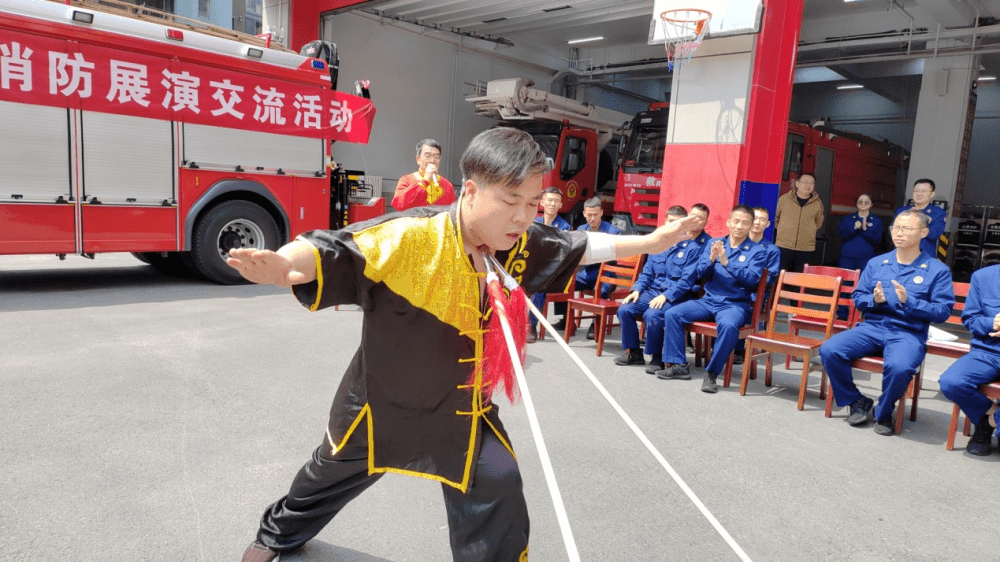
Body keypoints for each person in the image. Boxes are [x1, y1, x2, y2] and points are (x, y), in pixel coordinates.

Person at [229, 127, 698, 562]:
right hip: (381, 404)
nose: (524, 216)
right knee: (324, 478)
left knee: (499, 485)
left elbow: (576, 243)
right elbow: (331, 248)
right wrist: (282, 265)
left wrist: (651, 242)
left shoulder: (518, 239)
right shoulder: (410, 236)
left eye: (534, 203)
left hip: (465, 407)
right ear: (471, 191)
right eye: (512, 200)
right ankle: (276, 535)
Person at [818, 210, 954, 436]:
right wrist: (873, 299)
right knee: (830, 350)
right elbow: (858, 296)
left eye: (907, 229)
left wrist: (911, 302)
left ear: (924, 232)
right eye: (896, 228)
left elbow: (941, 312)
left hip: (908, 331)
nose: (899, 233)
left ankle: (885, 410)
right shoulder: (876, 263)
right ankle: (856, 400)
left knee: (900, 367)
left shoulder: (937, 270)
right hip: (873, 327)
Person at [656, 205, 766, 393]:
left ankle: (712, 373)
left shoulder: (757, 251)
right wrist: (712, 259)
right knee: (673, 313)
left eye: (745, 223)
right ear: (728, 222)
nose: (739, 226)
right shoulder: (714, 243)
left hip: (734, 304)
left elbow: (752, 279)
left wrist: (727, 262)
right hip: (709, 300)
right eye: (736, 221)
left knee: (729, 326)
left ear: (750, 226)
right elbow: (700, 272)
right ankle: (678, 366)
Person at [614, 205, 708, 372]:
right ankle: (634, 353)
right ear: (665, 221)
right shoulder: (657, 244)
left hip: (677, 296)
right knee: (624, 309)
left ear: (683, 224)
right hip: (652, 292)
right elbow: (647, 273)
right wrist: (637, 290)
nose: (673, 225)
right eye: (670, 221)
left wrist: (666, 296)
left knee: (653, 314)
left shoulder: (692, 248)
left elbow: (686, 281)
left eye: (677, 222)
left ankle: (657, 357)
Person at [938, 264, 1000, 456]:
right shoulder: (984, 277)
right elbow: (971, 319)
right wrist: (992, 323)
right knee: (951, 382)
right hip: (988, 351)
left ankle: (988, 424)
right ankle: (990, 418)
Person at [552, 197, 622, 339]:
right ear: (584, 214)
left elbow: (613, 258)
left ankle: (594, 325)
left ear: (601, 213)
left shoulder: (613, 232)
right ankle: (566, 319)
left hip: (607, 274)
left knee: (600, 290)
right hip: (587, 273)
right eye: (589, 215)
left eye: (595, 215)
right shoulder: (581, 230)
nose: (592, 218)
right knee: (564, 282)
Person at [732, 206, 782, 365]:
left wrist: (750, 280)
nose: (758, 222)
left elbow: (770, 277)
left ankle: (738, 349)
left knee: (744, 306)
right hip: (733, 288)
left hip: (756, 292)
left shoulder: (772, 250)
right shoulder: (736, 243)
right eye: (755, 218)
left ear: (768, 224)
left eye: (762, 219)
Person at [528, 187, 572, 342]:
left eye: (556, 201)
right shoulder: (533, 222)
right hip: (533, 267)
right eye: (550, 200)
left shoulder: (564, 227)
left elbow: (561, 254)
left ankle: (531, 325)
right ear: (542, 202)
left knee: (540, 286)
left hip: (554, 271)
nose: (553, 204)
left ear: (561, 205)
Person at [774, 173, 824, 274]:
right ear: (797, 183)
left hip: (806, 248)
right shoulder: (784, 199)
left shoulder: (817, 203)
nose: (808, 185)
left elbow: (818, 223)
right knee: (779, 277)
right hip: (784, 246)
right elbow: (776, 218)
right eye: (805, 182)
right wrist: (783, 231)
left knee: (799, 279)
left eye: (811, 183)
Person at [391, 139, 456, 211]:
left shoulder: (447, 185)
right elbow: (398, 205)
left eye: (436, 157)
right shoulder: (406, 180)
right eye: (427, 156)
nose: (432, 160)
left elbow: (451, 212)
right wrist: (425, 181)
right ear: (418, 159)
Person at [894, 178, 946, 260]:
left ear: (932, 194)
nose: (919, 194)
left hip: (923, 257)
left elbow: (934, 234)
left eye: (924, 191)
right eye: (916, 191)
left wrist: (918, 220)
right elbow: (893, 231)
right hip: (901, 255)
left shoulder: (938, 213)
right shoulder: (902, 211)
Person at [838, 193, 883, 271]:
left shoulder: (877, 221)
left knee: (863, 282)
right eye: (860, 201)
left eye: (866, 202)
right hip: (847, 258)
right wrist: (854, 228)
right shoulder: (848, 219)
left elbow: (877, 240)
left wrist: (865, 230)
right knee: (845, 282)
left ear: (871, 204)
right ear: (856, 203)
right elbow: (841, 236)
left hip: (866, 259)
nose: (863, 204)